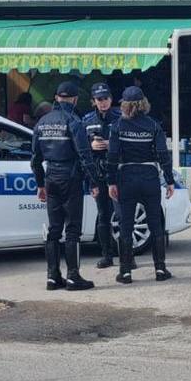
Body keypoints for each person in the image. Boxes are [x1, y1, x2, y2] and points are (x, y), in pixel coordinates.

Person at [31, 81, 95, 291]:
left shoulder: (42, 122)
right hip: (71, 177)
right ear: (75, 99)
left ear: (57, 98)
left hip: (51, 177)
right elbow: (84, 155)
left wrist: (40, 184)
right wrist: (94, 181)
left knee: (54, 230)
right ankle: (73, 277)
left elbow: (35, 159)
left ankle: (52, 277)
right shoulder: (73, 121)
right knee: (73, 229)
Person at [106, 86, 174, 284]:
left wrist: (111, 181)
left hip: (126, 176)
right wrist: (169, 180)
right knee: (155, 223)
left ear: (125, 105)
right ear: (144, 104)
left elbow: (112, 156)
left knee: (126, 225)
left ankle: (125, 272)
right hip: (149, 176)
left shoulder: (117, 126)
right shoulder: (154, 126)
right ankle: (160, 270)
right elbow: (163, 155)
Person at [82, 82, 121, 269]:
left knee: (122, 215)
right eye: (99, 99)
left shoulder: (121, 118)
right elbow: (80, 149)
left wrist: (110, 144)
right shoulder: (87, 120)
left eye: (106, 98)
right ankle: (107, 256)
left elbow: (129, 145)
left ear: (111, 99)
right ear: (93, 101)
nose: (103, 102)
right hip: (97, 173)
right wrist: (91, 146)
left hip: (117, 173)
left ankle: (128, 256)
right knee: (103, 215)